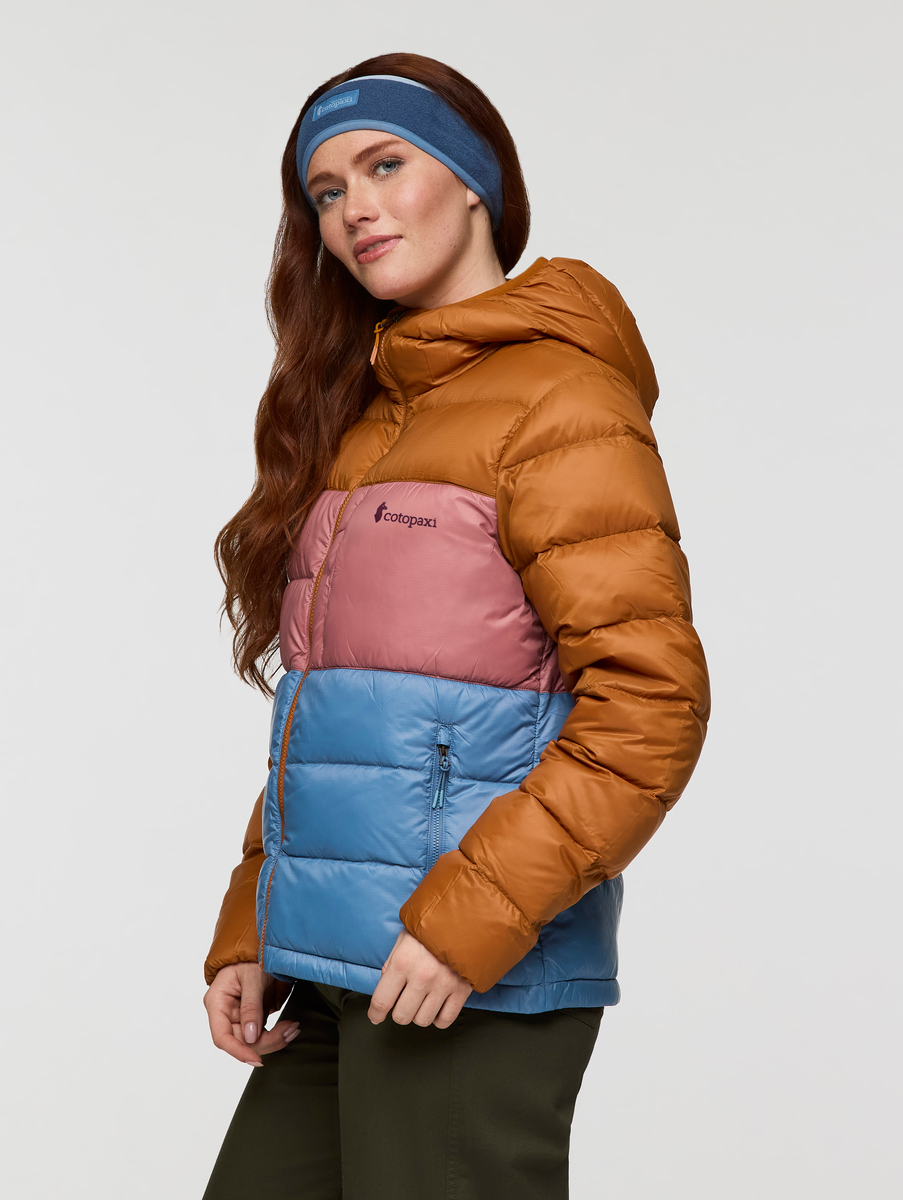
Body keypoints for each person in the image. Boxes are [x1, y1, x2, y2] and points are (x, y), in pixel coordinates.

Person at [200, 52, 710, 1200]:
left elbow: (650, 708)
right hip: (335, 963)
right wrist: (255, 923)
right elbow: (333, 715)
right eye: (326, 191)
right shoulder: (360, 418)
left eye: (385, 165)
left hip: (468, 976)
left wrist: (467, 923)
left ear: (475, 180)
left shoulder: (562, 401)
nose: (354, 209)